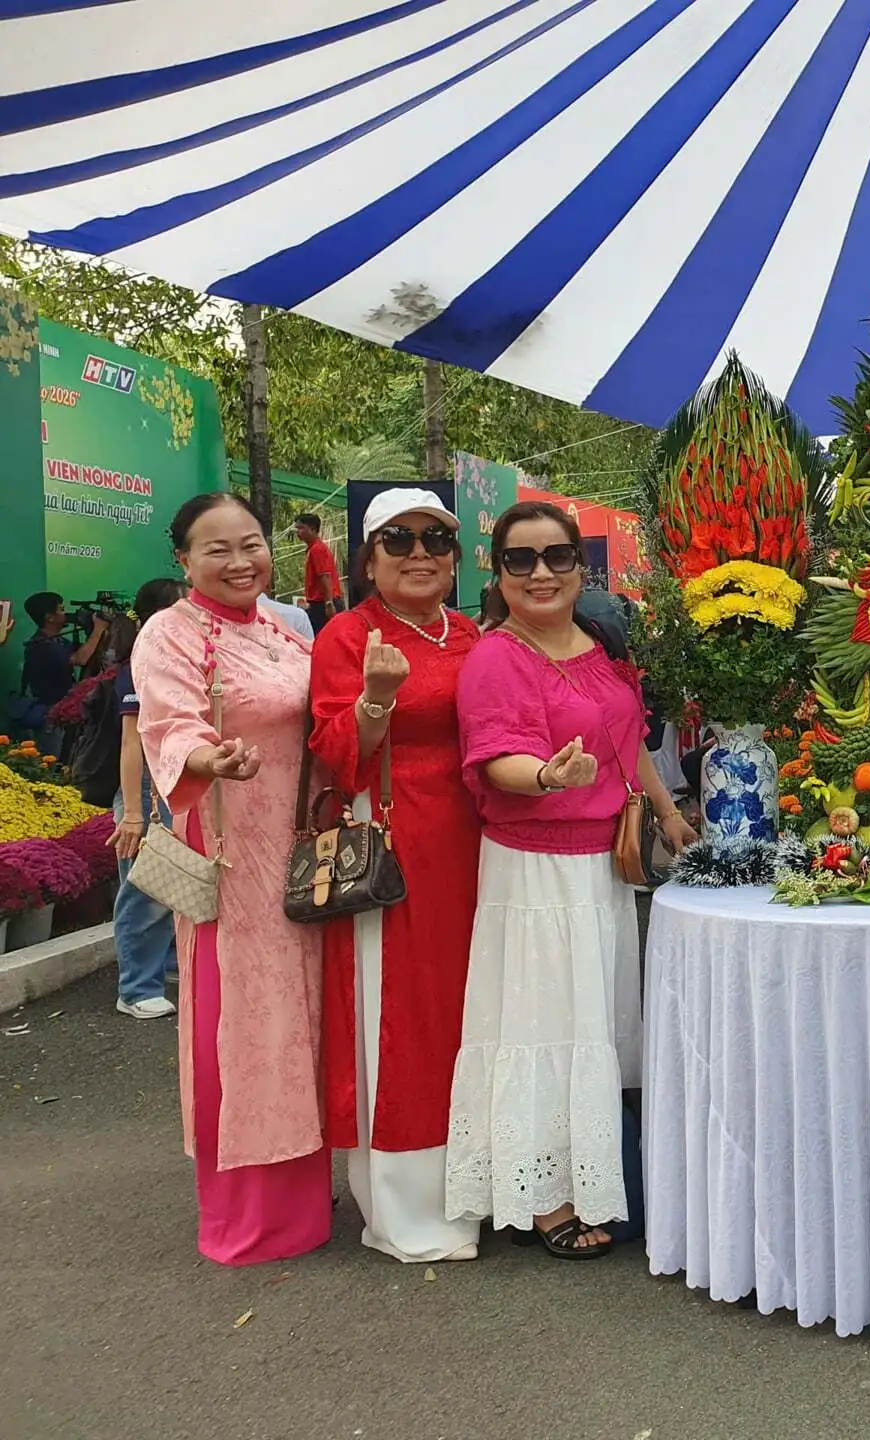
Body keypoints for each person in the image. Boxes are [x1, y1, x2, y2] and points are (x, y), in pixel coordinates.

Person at [448, 502, 695, 1257]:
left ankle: (596, 1177)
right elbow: (495, 758)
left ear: (581, 566)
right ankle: (544, 1196)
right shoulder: (496, 657)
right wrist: (548, 777)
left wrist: (667, 811)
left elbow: (629, 740)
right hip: (536, 873)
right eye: (521, 560)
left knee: (593, 1025)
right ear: (498, 573)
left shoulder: (598, 642)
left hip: (603, 868)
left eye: (556, 556)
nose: (542, 573)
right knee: (543, 1027)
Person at [133, 493, 330, 1263]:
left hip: (296, 849)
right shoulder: (170, 633)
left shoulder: (283, 629)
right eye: (217, 549)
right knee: (243, 1025)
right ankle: (247, 1214)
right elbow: (170, 723)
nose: (240, 560)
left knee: (301, 1018)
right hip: (231, 852)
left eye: (251, 543)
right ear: (182, 558)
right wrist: (210, 756)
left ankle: (304, 1197)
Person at [309, 489, 485, 1263]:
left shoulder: (472, 633)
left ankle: (483, 1180)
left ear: (454, 561)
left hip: (478, 843)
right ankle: (407, 1205)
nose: (420, 554)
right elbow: (334, 749)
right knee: (401, 1015)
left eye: (436, 541)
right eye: (399, 540)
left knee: (468, 1009)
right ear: (369, 559)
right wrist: (377, 699)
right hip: (394, 837)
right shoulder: (350, 635)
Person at [107, 578, 187, 1020]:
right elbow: (131, 743)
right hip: (147, 792)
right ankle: (136, 987)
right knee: (145, 888)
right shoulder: (140, 666)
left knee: (169, 882)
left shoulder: (178, 660)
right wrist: (134, 814)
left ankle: (167, 964)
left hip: (172, 786)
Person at [16, 591, 108, 751]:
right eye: (61, 609)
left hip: (60, 713)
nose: (66, 614)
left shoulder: (58, 641)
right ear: (49, 617)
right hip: (50, 717)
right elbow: (80, 659)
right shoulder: (42, 645)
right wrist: (98, 630)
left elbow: (88, 652)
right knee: (53, 762)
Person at [298, 513, 343, 634]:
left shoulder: (317, 549)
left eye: (301, 528)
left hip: (323, 604)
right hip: (320, 604)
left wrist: (329, 603)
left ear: (312, 529)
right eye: (297, 528)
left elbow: (325, 576)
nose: (298, 532)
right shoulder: (313, 549)